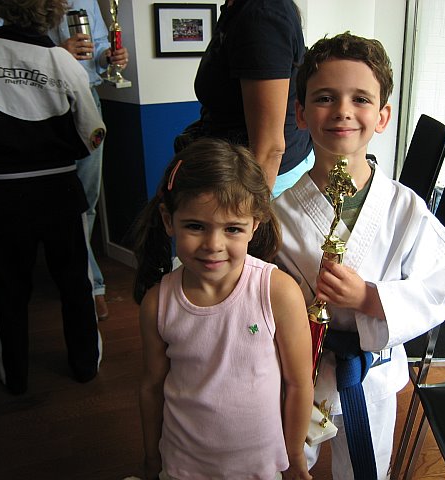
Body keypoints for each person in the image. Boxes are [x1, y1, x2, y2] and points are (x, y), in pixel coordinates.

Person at [273, 32, 445, 479]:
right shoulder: (278, 215)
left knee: (367, 469)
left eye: (360, 99)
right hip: (299, 368)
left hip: (370, 371)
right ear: (300, 113)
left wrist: (370, 298)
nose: (342, 110)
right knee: (285, 462)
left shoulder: (404, 208)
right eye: (325, 97)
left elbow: (444, 277)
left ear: (382, 116)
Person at [133, 138, 314, 480]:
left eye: (232, 229)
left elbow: (298, 383)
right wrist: (151, 459)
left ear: (254, 224)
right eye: (195, 226)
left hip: (260, 466)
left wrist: (294, 457)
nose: (213, 245)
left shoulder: (277, 293)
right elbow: (152, 387)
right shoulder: (158, 304)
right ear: (169, 220)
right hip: (184, 465)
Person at [0, 0, 106, 394]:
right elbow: (94, 132)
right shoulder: (64, 61)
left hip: (3, 190)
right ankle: (85, 366)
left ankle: (15, 376)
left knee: (8, 287)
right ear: (53, 10)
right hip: (60, 189)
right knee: (75, 283)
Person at [0, 0, 130, 320]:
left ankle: (84, 282)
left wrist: (108, 57)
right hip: (28, 103)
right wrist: (52, 55)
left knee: (85, 201)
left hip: (84, 98)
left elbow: (97, 47)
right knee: (41, 198)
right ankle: (84, 285)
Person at [176, 0, 313, 198]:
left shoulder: (262, 14)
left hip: (261, 182)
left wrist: (250, 212)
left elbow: (269, 148)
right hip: (234, 173)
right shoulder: (238, 8)